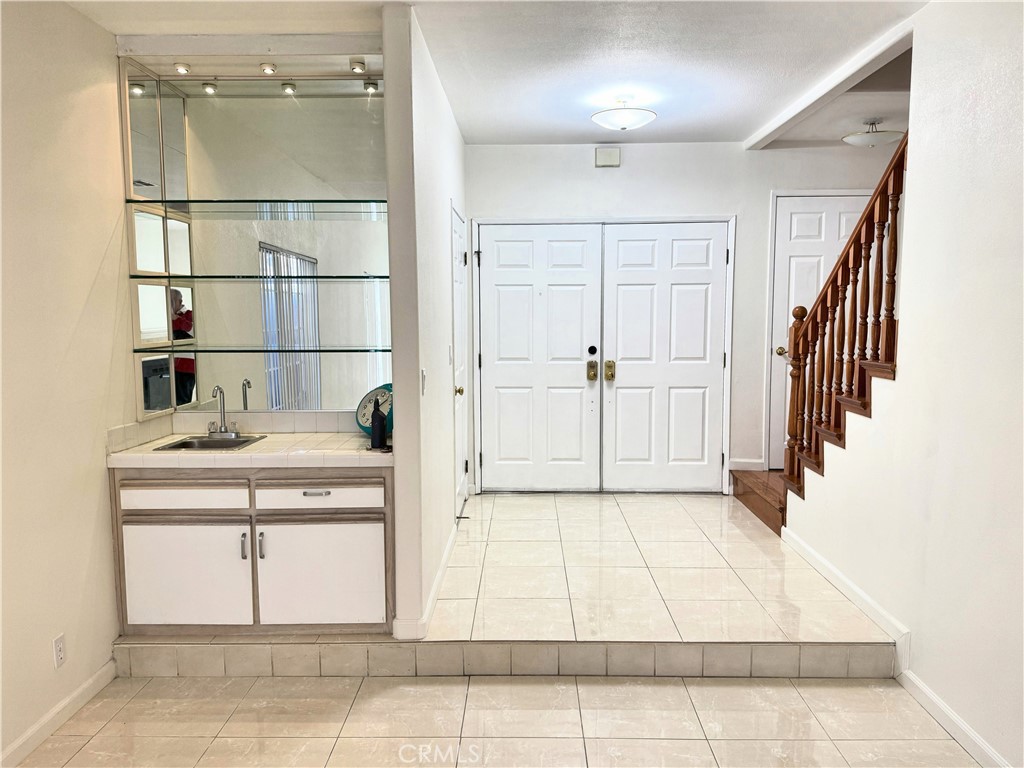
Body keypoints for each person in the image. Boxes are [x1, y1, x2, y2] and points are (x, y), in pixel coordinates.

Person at [170, 289, 196, 405]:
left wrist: (177, 319)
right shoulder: (169, 318)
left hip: (187, 365)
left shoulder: (189, 314)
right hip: (174, 364)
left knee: (184, 400)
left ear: (179, 301)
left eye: (172, 300)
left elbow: (193, 331)